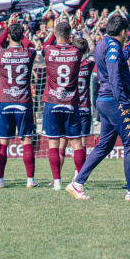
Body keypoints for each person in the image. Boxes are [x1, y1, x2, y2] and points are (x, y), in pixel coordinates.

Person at [67, 15, 130, 201]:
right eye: (127, 32)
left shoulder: (104, 44)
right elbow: (114, 73)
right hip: (115, 101)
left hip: (104, 101)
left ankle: (77, 183)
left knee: (104, 145)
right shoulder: (113, 46)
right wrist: (122, 101)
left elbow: (118, 60)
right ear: (122, 31)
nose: (128, 34)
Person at [0, 15, 38, 188]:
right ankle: (30, 180)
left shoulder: (2, 54)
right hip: (23, 102)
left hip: (5, 101)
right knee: (26, 141)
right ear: (22, 36)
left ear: (10, 37)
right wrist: (20, 31)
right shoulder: (29, 53)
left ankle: (0, 181)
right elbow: (31, 45)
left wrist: (8, 27)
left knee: (3, 142)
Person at [42, 14, 84, 190]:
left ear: (55, 32)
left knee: (53, 142)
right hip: (70, 102)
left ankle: (57, 182)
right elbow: (78, 44)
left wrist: (54, 30)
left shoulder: (49, 50)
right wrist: (72, 27)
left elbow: (46, 44)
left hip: (52, 102)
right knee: (76, 143)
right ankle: (80, 181)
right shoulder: (76, 52)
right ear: (70, 35)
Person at [74, 36, 96, 167]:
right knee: (83, 142)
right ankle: (79, 174)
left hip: (71, 106)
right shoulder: (88, 63)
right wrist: (84, 29)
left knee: (63, 142)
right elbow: (93, 47)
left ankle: (56, 178)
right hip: (85, 106)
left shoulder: (69, 62)